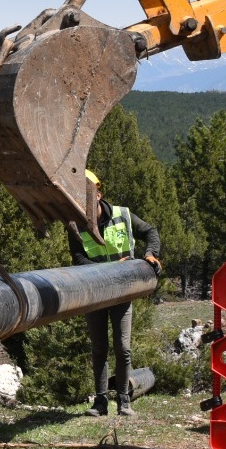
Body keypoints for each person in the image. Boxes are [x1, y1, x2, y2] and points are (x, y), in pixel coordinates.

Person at [68, 169, 160, 417]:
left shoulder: (123, 215)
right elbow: (78, 258)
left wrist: (150, 254)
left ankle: (123, 400)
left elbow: (150, 232)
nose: (85, 200)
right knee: (99, 348)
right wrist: (109, 270)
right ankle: (100, 402)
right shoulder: (75, 225)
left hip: (121, 292)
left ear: (99, 193)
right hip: (95, 294)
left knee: (123, 347)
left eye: (89, 194)